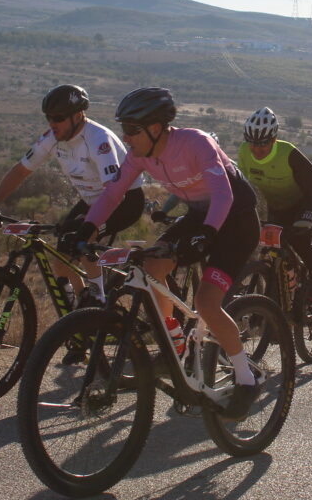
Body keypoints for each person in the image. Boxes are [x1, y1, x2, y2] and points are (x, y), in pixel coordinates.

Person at [61, 87, 262, 420]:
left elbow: (223, 195)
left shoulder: (196, 143)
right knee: (152, 266)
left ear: (156, 128)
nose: (126, 138)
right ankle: (175, 342)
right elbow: (112, 195)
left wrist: (207, 235)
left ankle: (246, 377)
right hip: (200, 215)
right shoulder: (139, 155)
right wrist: (86, 229)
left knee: (206, 303)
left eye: (132, 130)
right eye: (124, 129)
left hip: (236, 220)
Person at [0, 84, 145, 307]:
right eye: (49, 118)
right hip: (92, 200)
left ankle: (98, 302)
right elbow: (21, 171)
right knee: (61, 258)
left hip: (124, 201)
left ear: (78, 115)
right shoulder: (52, 137)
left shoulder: (98, 139)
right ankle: (80, 304)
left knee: (83, 239)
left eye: (58, 118)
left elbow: (113, 193)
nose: (52, 123)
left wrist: (88, 227)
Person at [237, 106, 312, 298]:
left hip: (305, 204)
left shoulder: (288, 153)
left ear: (274, 139)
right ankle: (281, 291)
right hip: (277, 207)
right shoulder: (244, 152)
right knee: (268, 248)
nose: (256, 149)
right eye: (252, 143)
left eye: (262, 144)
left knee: (299, 241)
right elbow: (240, 187)